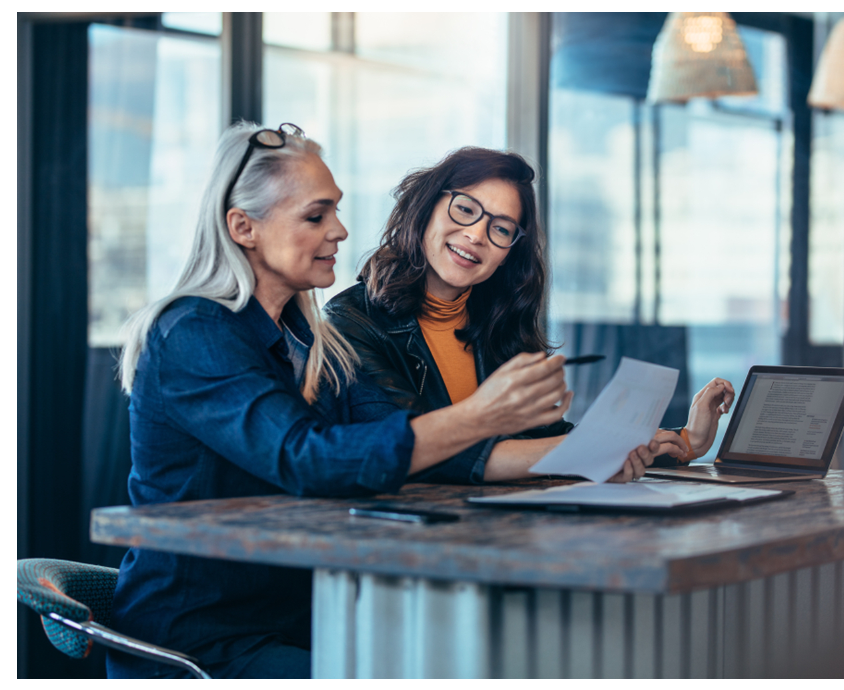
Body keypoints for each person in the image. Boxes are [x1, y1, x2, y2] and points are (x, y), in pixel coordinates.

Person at [108, 124, 661, 681]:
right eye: (316, 216)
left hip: (301, 618)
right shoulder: (192, 332)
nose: (341, 231)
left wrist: (594, 453)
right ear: (243, 227)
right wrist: (482, 415)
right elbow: (309, 459)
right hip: (202, 642)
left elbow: (406, 442)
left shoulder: (310, 338)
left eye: (336, 212)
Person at [324, 147, 735, 472]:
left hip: (505, 531)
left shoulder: (498, 322)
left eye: (501, 228)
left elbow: (546, 438)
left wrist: (685, 442)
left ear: (509, 252)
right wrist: (584, 453)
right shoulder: (350, 322)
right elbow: (415, 451)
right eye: (465, 209)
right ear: (426, 206)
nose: (476, 235)